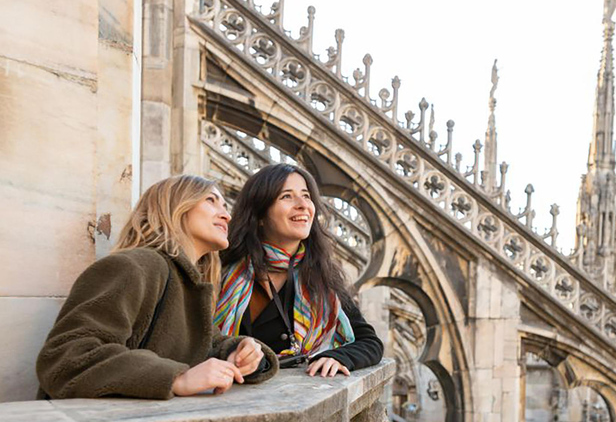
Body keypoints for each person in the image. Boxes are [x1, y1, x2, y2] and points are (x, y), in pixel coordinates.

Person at [36, 175, 278, 399]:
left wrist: (242, 352)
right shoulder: (134, 266)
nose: (227, 215)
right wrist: (177, 378)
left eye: (225, 206)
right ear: (174, 206)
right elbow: (65, 357)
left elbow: (209, 343)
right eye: (211, 201)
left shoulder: (188, 282)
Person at [215, 163, 383, 378]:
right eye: (287, 196)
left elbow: (370, 342)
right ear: (259, 215)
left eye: (306, 196)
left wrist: (338, 356)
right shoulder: (222, 272)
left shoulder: (321, 276)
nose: (303, 205)